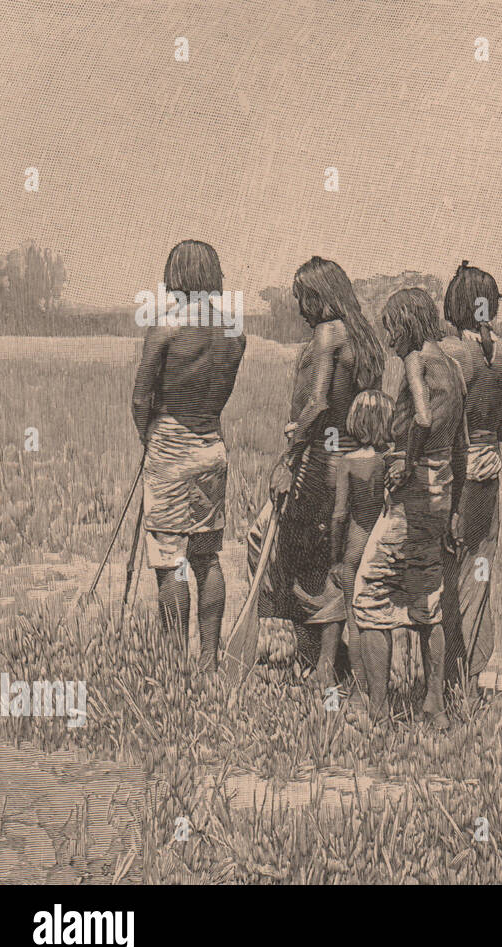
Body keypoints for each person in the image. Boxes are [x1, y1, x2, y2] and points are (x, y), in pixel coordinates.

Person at [248, 257, 385, 688]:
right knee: (332, 559)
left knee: (275, 545)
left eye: (302, 299)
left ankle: (319, 661)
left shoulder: (328, 334)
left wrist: (288, 459)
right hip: (356, 463)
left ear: (320, 296)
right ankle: (328, 659)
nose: (300, 309)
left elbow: (319, 403)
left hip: (321, 463)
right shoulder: (364, 337)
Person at [352, 287, 467, 729]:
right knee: (427, 600)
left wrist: (407, 461)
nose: (389, 341)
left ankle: (378, 714)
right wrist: (454, 511)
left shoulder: (416, 360)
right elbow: (462, 444)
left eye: (391, 330)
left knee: (369, 594)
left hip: (413, 495)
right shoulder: (454, 367)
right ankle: (434, 707)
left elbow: (421, 418)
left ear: (405, 326)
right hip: (441, 496)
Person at [130, 240, 245, 670]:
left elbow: (141, 398)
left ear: (175, 276)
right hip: (212, 445)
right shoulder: (235, 331)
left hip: (171, 447)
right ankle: (210, 660)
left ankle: (176, 663)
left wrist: (150, 440)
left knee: (169, 559)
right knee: (206, 555)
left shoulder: (165, 327)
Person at [438, 261, 502, 695]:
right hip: (490, 469)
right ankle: (468, 678)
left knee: (444, 572)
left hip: (453, 473)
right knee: (479, 573)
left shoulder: (449, 353)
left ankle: (448, 680)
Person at [328, 389, 393, 688]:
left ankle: (360, 688)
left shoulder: (348, 462)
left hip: (354, 548)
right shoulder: (387, 462)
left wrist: (334, 558)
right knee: (378, 623)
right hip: (379, 548)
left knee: (354, 624)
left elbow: (340, 514)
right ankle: (378, 684)